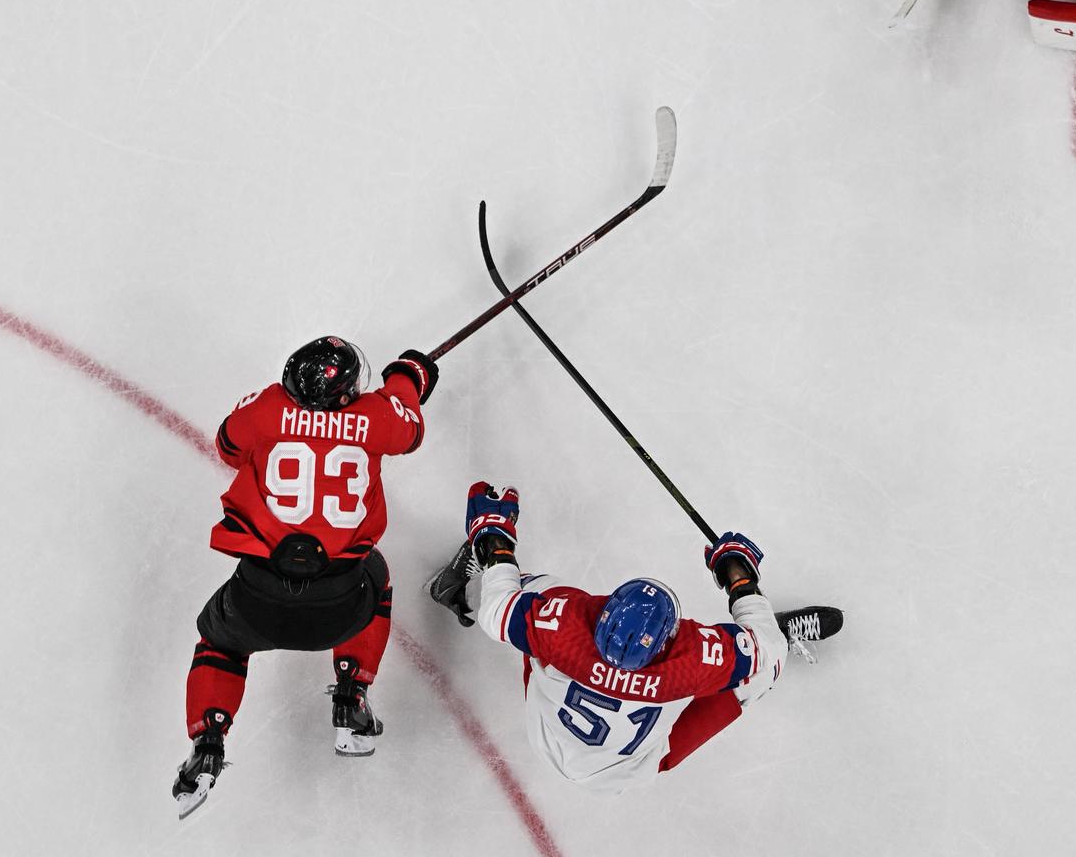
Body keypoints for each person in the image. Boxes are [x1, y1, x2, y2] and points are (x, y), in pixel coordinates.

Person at [172, 336, 438, 818]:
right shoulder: (375, 417)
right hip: (342, 606)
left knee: (221, 642)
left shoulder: (268, 405)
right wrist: (408, 375)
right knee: (376, 574)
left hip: (257, 600)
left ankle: (208, 742)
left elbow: (228, 446)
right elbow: (410, 428)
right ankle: (352, 696)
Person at [428, 482, 842, 790]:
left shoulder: (564, 632)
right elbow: (764, 656)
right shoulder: (690, 663)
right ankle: (771, 632)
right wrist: (741, 582)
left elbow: (498, 611)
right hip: (634, 767)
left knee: (529, 589)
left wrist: (494, 539)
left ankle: (458, 591)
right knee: (760, 673)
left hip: (548, 735)